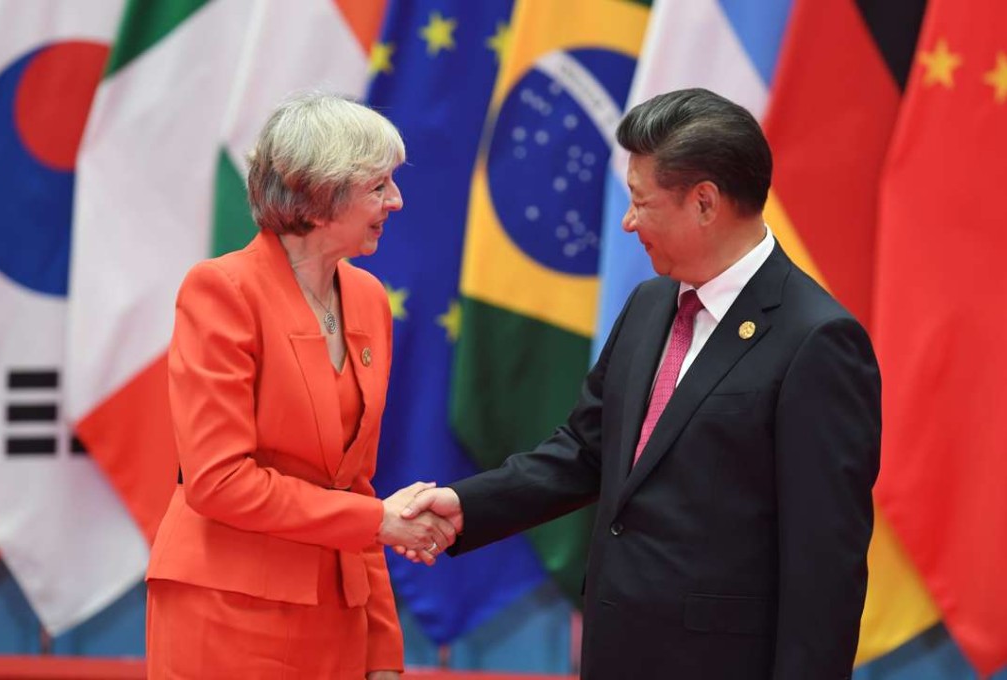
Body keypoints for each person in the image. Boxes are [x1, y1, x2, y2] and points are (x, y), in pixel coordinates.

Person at [402, 88, 881, 679]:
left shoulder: (818, 340)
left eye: (639, 202)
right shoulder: (652, 303)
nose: (628, 223)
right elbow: (585, 451)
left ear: (704, 203)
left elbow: (824, 566)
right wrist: (461, 506)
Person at [145, 92, 456, 679]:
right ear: (320, 194)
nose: (397, 199)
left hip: (336, 615)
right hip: (226, 608)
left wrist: (382, 650)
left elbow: (357, 485)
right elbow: (219, 482)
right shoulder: (222, 290)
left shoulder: (367, 297)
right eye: (377, 186)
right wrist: (375, 521)